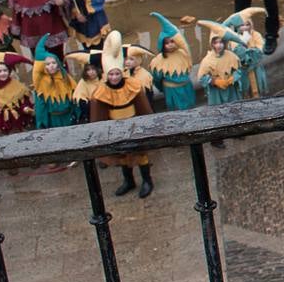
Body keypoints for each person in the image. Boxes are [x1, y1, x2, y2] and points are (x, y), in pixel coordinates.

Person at [89, 30, 155, 197]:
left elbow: (143, 107)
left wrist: (147, 125)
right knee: (123, 156)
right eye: (111, 74)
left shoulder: (132, 85)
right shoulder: (101, 92)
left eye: (117, 73)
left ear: (122, 72)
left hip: (134, 124)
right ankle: (129, 181)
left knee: (140, 155)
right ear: (106, 75)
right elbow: (99, 115)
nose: (114, 77)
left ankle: (147, 180)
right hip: (116, 127)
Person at [149, 12, 197, 111]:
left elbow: (185, 46)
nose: (170, 44)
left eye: (172, 41)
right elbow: (156, 79)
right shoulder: (158, 60)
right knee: (176, 109)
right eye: (166, 43)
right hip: (172, 90)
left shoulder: (183, 54)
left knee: (191, 106)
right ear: (162, 44)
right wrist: (164, 88)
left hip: (186, 88)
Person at [32, 39, 77, 129]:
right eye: (48, 64)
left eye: (53, 63)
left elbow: (73, 97)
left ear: (58, 64)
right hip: (53, 119)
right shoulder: (42, 84)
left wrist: (76, 113)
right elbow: (41, 107)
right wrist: (42, 123)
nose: (51, 66)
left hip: (68, 117)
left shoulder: (66, 78)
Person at [0, 52, 32, 136]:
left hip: (18, 121)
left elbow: (24, 102)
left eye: (5, 70)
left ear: (9, 71)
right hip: (2, 125)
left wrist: (26, 108)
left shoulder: (19, 86)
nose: (3, 73)